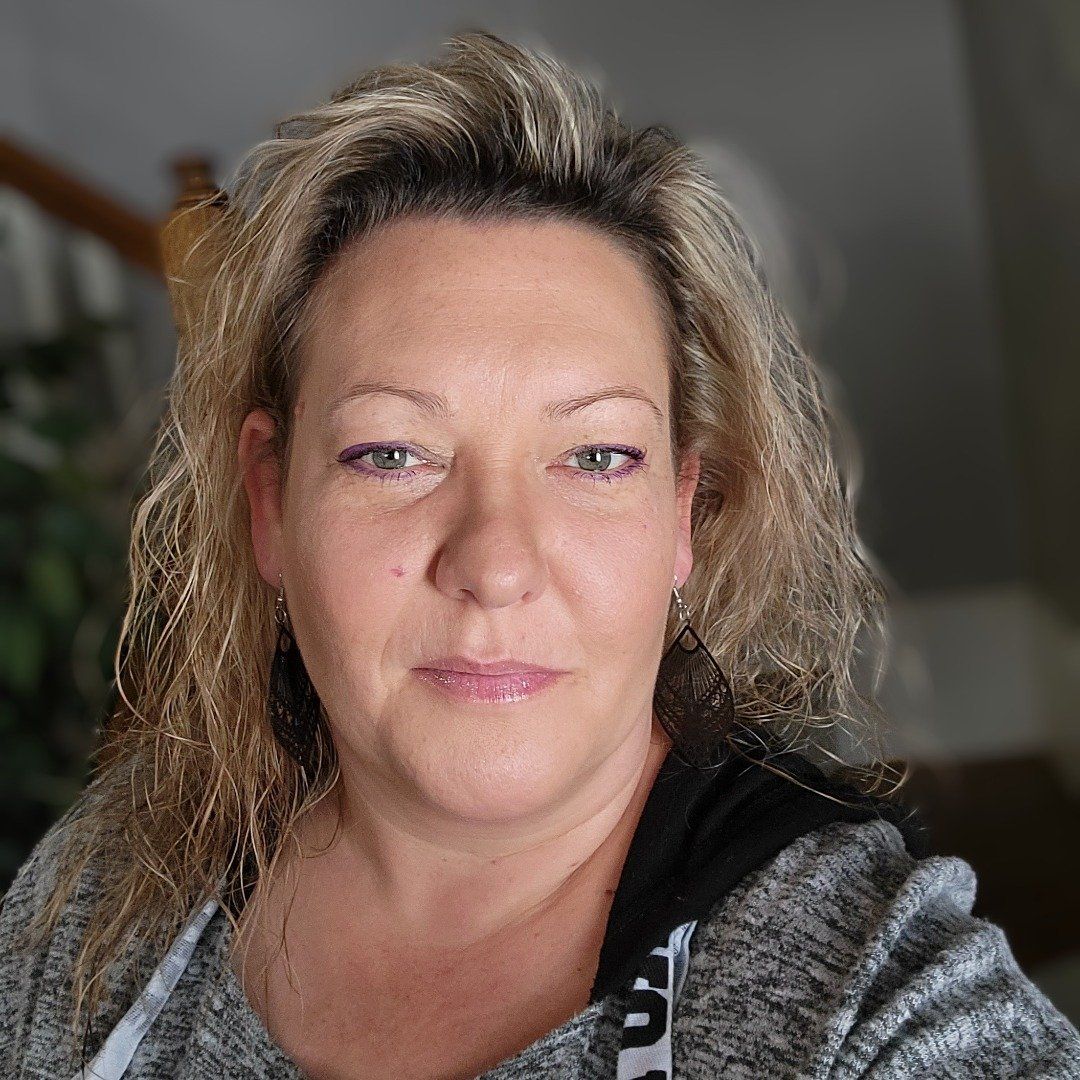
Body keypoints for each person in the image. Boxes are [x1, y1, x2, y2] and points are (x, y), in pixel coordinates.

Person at [2, 29, 1079, 1080]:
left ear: (681, 515)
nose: (496, 563)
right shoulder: (108, 886)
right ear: (272, 503)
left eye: (596, 455)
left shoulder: (866, 998)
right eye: (393, 453)